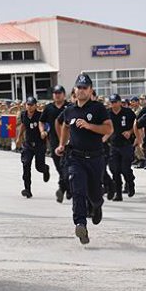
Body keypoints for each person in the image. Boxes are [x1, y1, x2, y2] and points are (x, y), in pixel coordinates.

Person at [55, 74, 112, 244]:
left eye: (84, 87)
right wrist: (62, 144)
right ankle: (80, 224)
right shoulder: (69, 110)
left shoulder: (98, 108)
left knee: (94, 193)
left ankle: (97, 205)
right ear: (75, 89)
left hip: (95, 158)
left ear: (90, 90)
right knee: (77, 190)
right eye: (79, 87)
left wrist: (89, 126)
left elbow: (108, 129)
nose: (81, 90)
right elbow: (65, 126)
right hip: (76, 157)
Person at [16, 96, 50, 198]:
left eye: (32, 105)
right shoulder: (23, 114)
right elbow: (23, 125)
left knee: (39, 167)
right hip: (28, 144)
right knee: (26, 165)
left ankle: (45, 169)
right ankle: (27, 189)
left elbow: (47, 126)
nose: (30, 107)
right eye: (28, 105)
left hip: (39, 144)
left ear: (35, 106)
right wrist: (19, 137)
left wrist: (44, 132)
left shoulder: (40, 115)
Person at [41, 85, 69, 202]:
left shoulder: (69, 107)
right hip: (54, 142)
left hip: (68, 142)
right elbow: (41, 121)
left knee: (67, 167)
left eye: (59, 93)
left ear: (64, 94)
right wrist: (42, 131)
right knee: (59, 167)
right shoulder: (49, 108)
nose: (57, 95)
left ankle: (62, 188)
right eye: (55, 93)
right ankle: (66, 187)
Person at [107, 94, 137, 199]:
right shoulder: (107, 113)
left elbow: (136, 125)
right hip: (113, 145)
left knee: (125, 169)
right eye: (111, 102)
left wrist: (130, 132)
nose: (113, 104)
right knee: (115, 170)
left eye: (115, 102)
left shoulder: (128, 112)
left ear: (120, 102)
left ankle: (130, 183)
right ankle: (118, 193)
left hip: (126, 145)